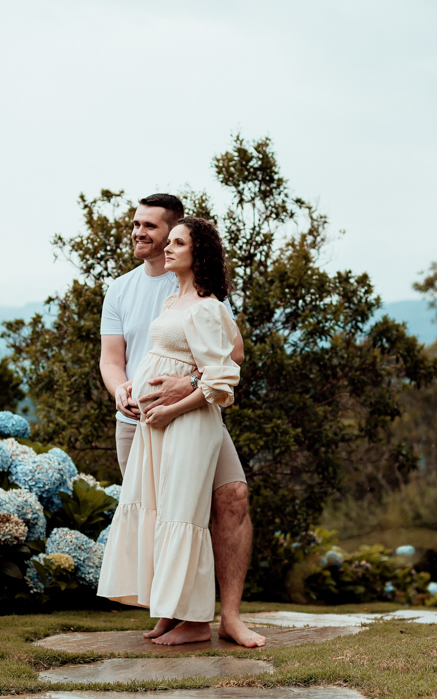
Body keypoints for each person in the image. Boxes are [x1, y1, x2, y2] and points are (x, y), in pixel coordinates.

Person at [97, 195, 265, 647]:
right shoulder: (125, 289)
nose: (140, 232)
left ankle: (224, 617)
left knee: (224, 499)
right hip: (139, 419)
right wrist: (122, 391)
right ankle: (170, 613)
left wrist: (184, 386)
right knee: (158, 511)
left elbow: (231, 355)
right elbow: (112, 358)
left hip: (190, 411)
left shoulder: (201, 296)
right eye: (137, 224)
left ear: (178, 233)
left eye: (152, 227)